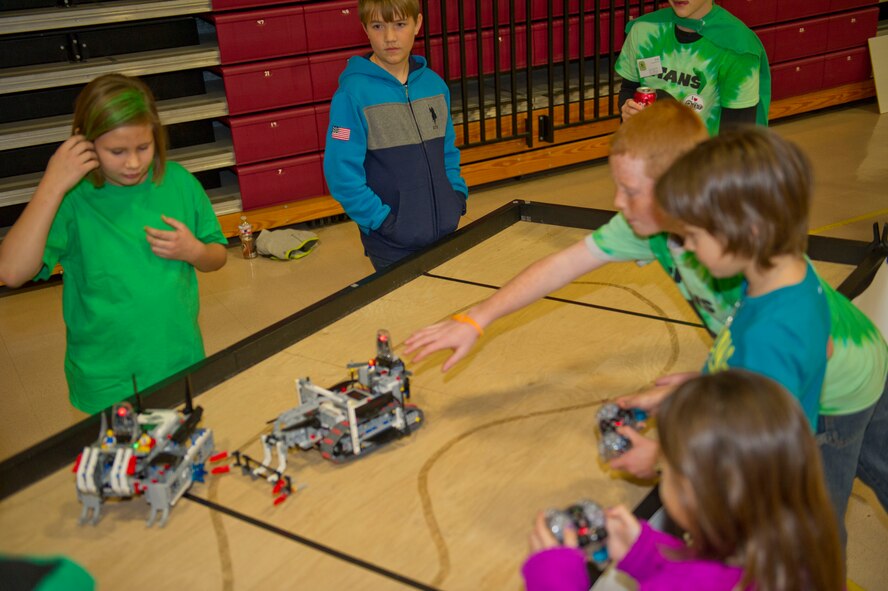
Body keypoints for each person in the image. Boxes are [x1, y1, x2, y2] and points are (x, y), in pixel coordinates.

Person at [612, 127, 888, 551]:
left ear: (748, 232)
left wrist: (662, 458)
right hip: (820, 411)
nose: (685, 247)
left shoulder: (774, 333)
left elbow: (753, 448)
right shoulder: (780, 274)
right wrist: (696, 389)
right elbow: (780, 360)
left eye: (695, 237)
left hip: (782, 502)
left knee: (812, 546)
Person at [0, 73, 227, 414]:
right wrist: (52, 183)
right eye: (117, 151)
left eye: (143, 147)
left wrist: (194, 251)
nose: (133, 163)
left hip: (178, 364)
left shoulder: (179, 182)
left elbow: (217, 255)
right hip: (107, 380)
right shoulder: (72, 199)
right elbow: (12, 271)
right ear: (85, 144)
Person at [522, 370, 844, 591]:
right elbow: (713, 576)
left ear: (694, 491)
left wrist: (555, 581)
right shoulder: (795, 547)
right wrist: (647, 554)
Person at [323, 0, 468, 271]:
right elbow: (341, 175)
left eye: (400, 25)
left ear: (418, 24)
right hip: (391, 243)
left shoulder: (434, 86)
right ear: (365, 28)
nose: (390, 37)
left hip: (445, 230)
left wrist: (456, 195)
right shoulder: (351, 95)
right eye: (378, 26)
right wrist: (381, 222)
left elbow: (447, 151)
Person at [616, 0, 771, 135]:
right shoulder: (643, 30)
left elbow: (737, 135)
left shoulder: (738, 48)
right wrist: (628, 110)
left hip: (705, 162)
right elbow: (629, 89)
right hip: (650, 154)